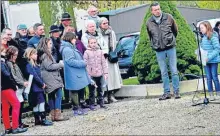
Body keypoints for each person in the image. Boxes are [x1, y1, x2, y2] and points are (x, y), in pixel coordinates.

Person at [146, 2, 180, 100]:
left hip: (170, 48)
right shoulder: (149, 22)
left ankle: (176, 92)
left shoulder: (169, 17)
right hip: (159, 50)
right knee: (163, 72)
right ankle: (167, 93)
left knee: (174, 71)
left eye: (159, 9)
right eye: (155, 9)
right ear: (152, 11)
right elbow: (150, 36)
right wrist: (155, 44)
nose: (158, 11)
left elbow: (175, 31)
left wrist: (170, 40)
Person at [37, 37, 69, 121]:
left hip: (48, 78)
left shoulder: (43, 55)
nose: (52, 45)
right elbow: (49, 66)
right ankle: (57, 115)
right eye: (50, 44)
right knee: (58, 95)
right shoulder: (46, 55)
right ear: (45, 45)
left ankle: (53, 115)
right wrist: (60, 64)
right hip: (51, 78)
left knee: (51, 96)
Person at [60, 32, 92, 115]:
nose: (75, 40)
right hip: (72, 73)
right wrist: (82, 63)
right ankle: (76, 108)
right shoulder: (67, 49)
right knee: (74, 91)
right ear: (70, 39)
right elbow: (70, 61)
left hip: (76, 72)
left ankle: (79, 107)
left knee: (79, 89)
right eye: (74, 38)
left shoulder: (71, 48)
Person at [1, 46, 28, 134]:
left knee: (5, 107)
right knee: (16, 104)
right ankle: (15, 127)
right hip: (8, 86)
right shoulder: (3, 62)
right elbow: (8, 75)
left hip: (3, 88)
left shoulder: (4, 62)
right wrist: (14, 85)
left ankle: (8, 128)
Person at [24, 47, 53, 126]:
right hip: (35, 87)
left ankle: (37, 120)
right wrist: (42, 83)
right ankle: (43, 119)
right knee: (41, 102)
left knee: (37, 103)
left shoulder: (34, 65)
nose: (37, 55)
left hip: (36, 87)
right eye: (35, 54)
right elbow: (35, 76)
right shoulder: (29, 65)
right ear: (30, 55)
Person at [98, 17, 122, 103]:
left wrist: (112, 53)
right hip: (103, 57)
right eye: (104, 23)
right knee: (105, 77)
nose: (106, 25)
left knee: (113, 76)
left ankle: (111, 94)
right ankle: (104, 95)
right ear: (100, 24)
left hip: (111, 57)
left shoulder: (111, 32)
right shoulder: (98, 34)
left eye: (107, 23)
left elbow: (114, 44)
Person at [84, 37, 108, 109]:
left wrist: (105, 72)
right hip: (91, 74)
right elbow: (85, 64)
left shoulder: (100, 52)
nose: (93, 44)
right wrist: (88, 74)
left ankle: (101, 103)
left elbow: (103, 63)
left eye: (94, 42)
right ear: (89, 44)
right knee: (92, 90)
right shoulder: (86, 52)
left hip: (100, 73)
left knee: (100, 89)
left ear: (97, 43)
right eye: (91, 43)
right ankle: (92, 104)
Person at [199, 21, 220, 100]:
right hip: (206, 61)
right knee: (208, 78)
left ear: (207, 27)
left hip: (213, 61)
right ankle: (211, 94)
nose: (201, 30)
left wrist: (209, 57)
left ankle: (218, 93)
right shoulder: (202, 38)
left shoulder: (213, 36)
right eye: (200, 28)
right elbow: (202, 49)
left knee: (214, 76)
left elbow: (217, 49)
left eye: (202, 28)